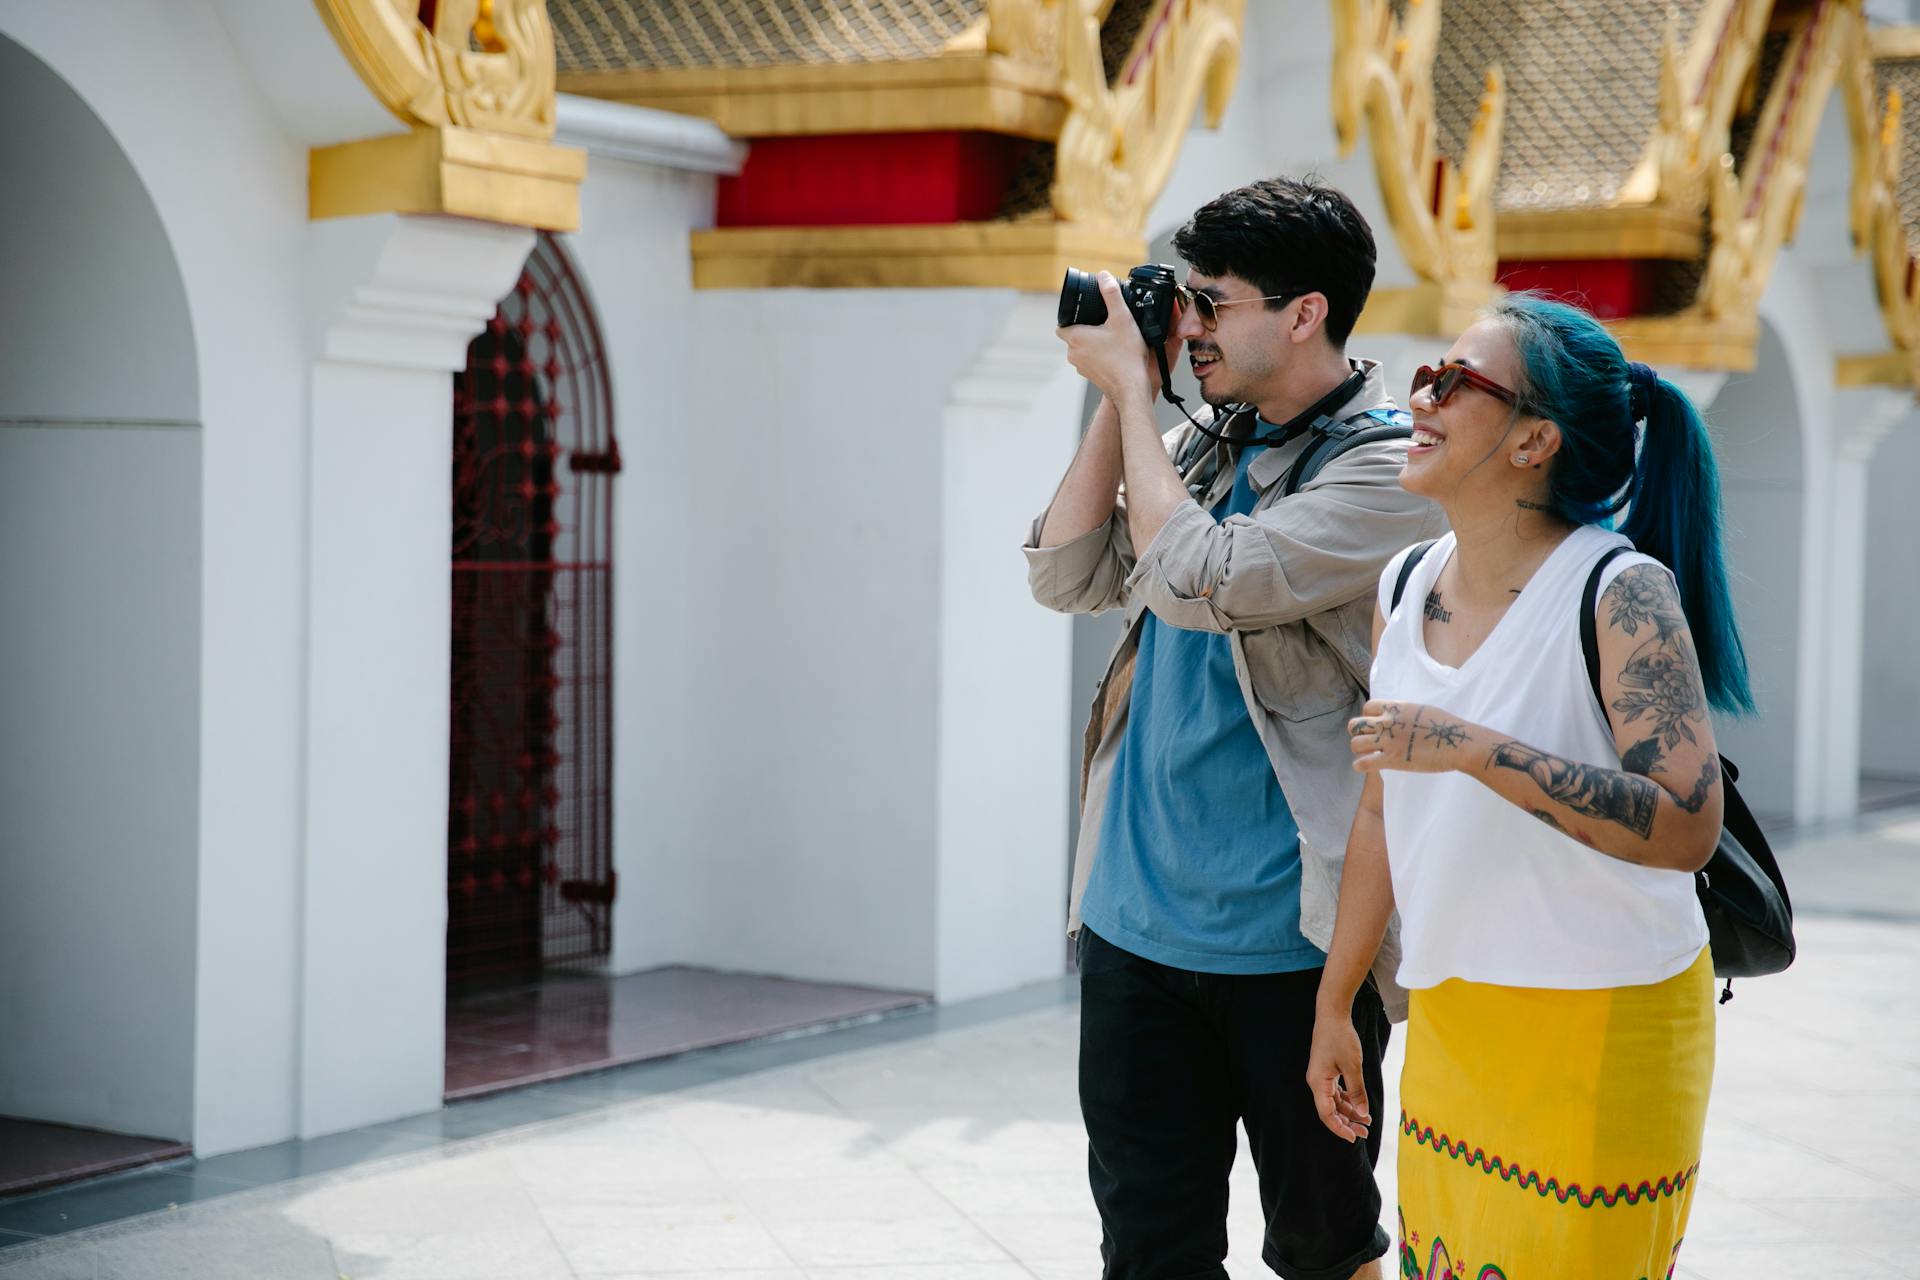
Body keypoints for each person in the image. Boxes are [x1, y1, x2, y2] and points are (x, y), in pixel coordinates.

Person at [1025, 175, 1445, 1280]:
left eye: (1213, 304)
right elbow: (1068, 572)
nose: (1189, 324)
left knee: (1323, 1247)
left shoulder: (1387, 466)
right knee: (1148, 1251)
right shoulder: (1210, 442)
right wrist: (1137, 398)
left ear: (1303, 313)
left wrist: (1132, 392)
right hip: (1134, 927)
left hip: (1294, 943)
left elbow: (1202, 575)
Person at [1306, 293, 1754, 1280]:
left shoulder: (1621, 590)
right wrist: (1338, 1001)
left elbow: (1688, 822)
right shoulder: (1403, 584)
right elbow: (1382, 808)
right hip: (1456, 1013)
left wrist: (1470, 745)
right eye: (1426, 373)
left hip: (1608, 1019)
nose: (1418, 395)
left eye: (1453, 381)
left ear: (1533, 439)